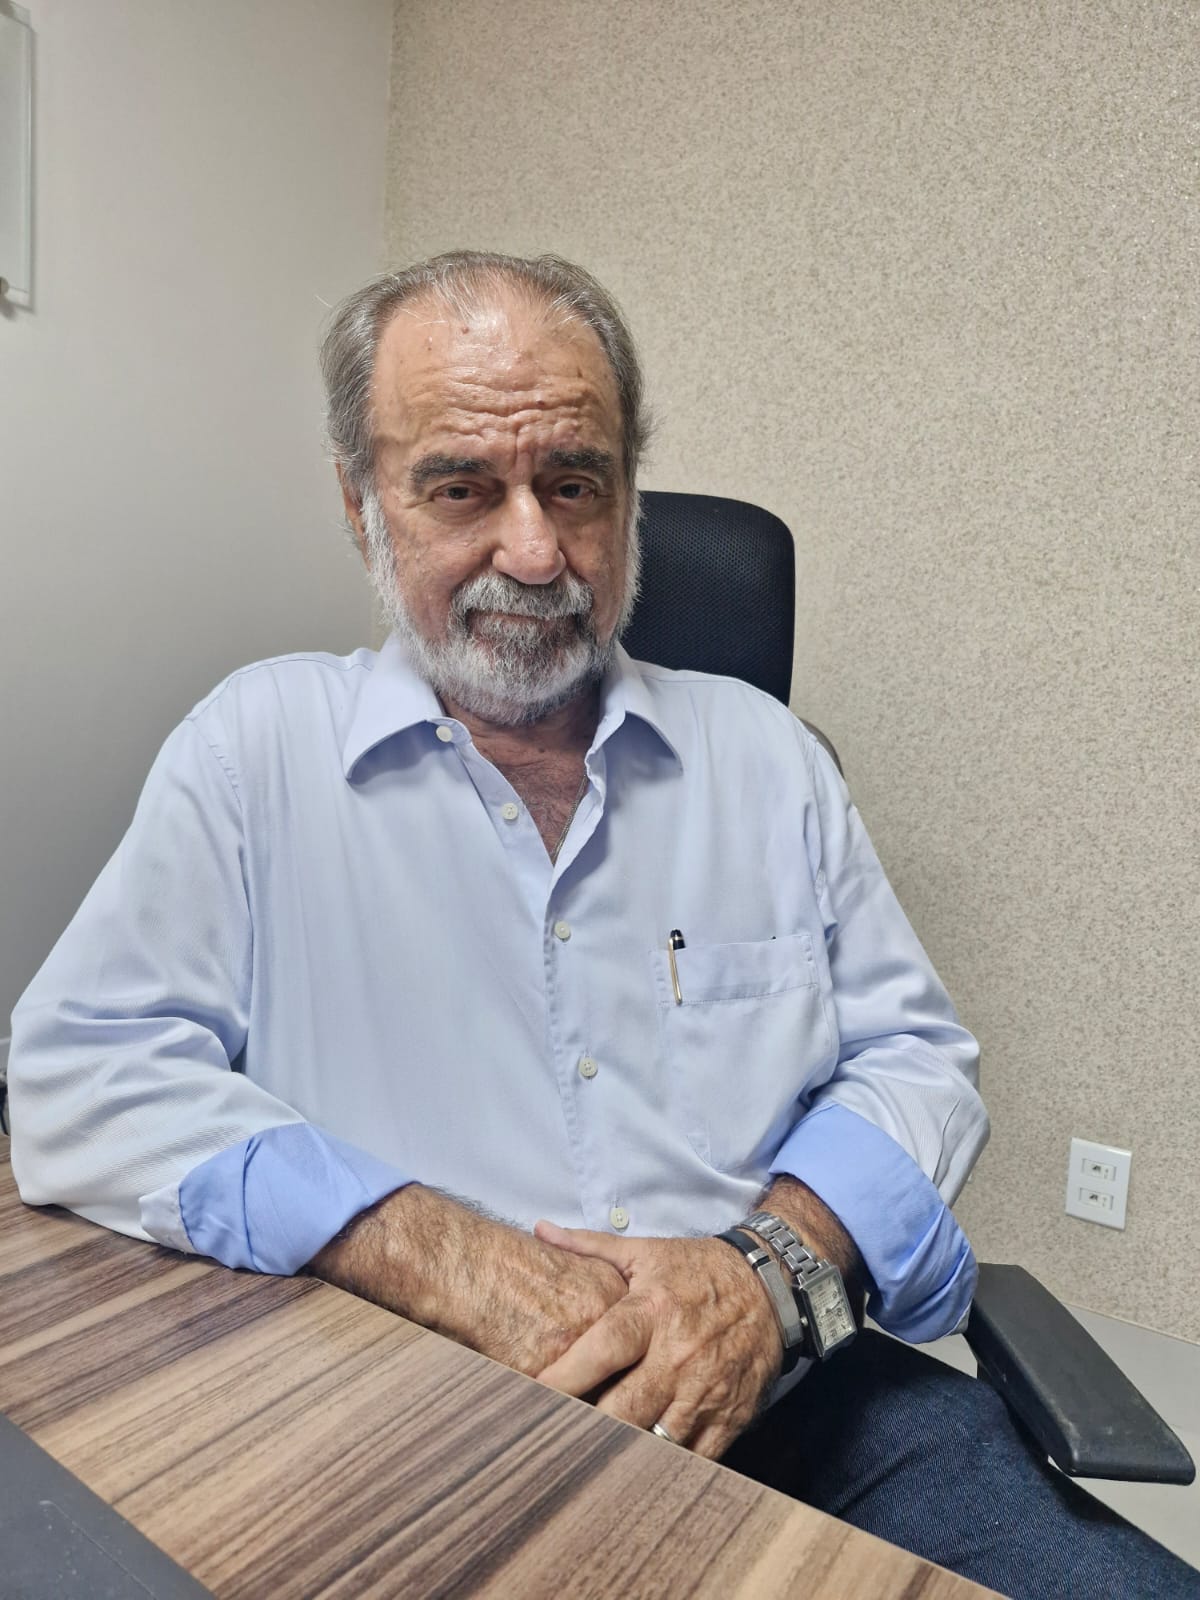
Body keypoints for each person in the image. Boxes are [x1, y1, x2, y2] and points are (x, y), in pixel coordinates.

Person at [7, 251, 1197, 1598]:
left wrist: (761, 1275)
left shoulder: (766, 760)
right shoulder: (255, 750)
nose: (533, 551)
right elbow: (80, 1073)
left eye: (574, 483)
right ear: (362, 505)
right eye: (461, 487)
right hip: (415, 1400)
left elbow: (917, 1062)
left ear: (628, 495)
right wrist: (438, 1252)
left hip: (796, 1392)